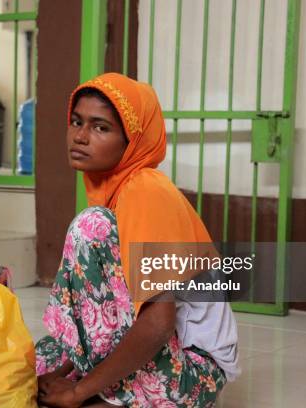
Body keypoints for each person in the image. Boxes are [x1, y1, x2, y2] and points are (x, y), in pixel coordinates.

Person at [35, 73, 239, 407]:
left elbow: (159, 322)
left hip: (192, 373)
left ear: (133, 140)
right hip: (164, 352)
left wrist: (76, 390)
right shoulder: (112, 189)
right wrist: (60, 369)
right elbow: (98, 313)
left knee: (90, 227)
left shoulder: (145, 191)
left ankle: (113, 396)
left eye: (101, 127)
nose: (80, 136)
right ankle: (105, 389)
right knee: (29, 363)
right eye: (76, 122)